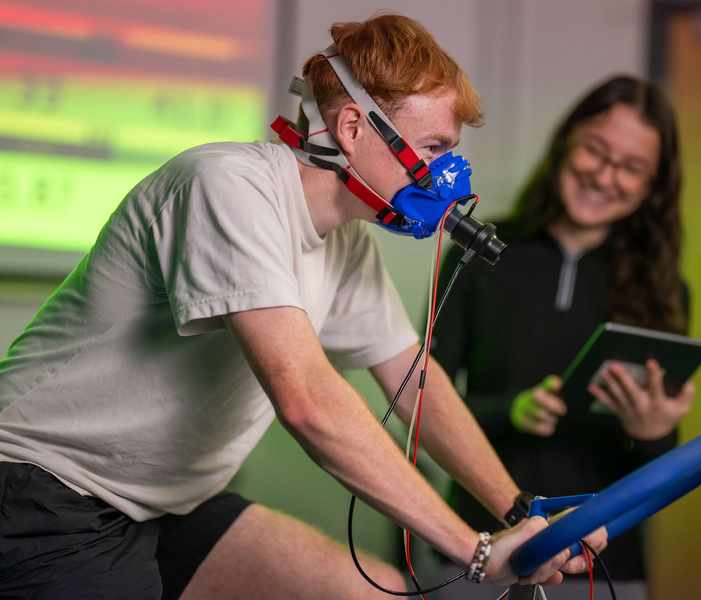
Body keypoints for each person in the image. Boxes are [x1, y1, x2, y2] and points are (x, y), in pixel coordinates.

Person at [0, 14, 604, 600]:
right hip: (45, 489)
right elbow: (309, 403)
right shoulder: (229, 187)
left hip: (167, 502)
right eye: (434, 146)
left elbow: (416, 382)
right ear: (352, 130)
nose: (450, 172)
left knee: (379, 592)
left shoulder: (345, 243)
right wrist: (475, 550)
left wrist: (525, 513)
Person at [431, 75, 694, 600]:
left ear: (652, 186)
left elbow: (659, 472)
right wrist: (512, 410)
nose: (605, 176)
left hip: (601, 563)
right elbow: (421, 400)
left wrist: (656, 432)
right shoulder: (480, 253)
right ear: (566, 144)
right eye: (596, 151)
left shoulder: (664, 291)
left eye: (632, 168)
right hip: (478, 546)